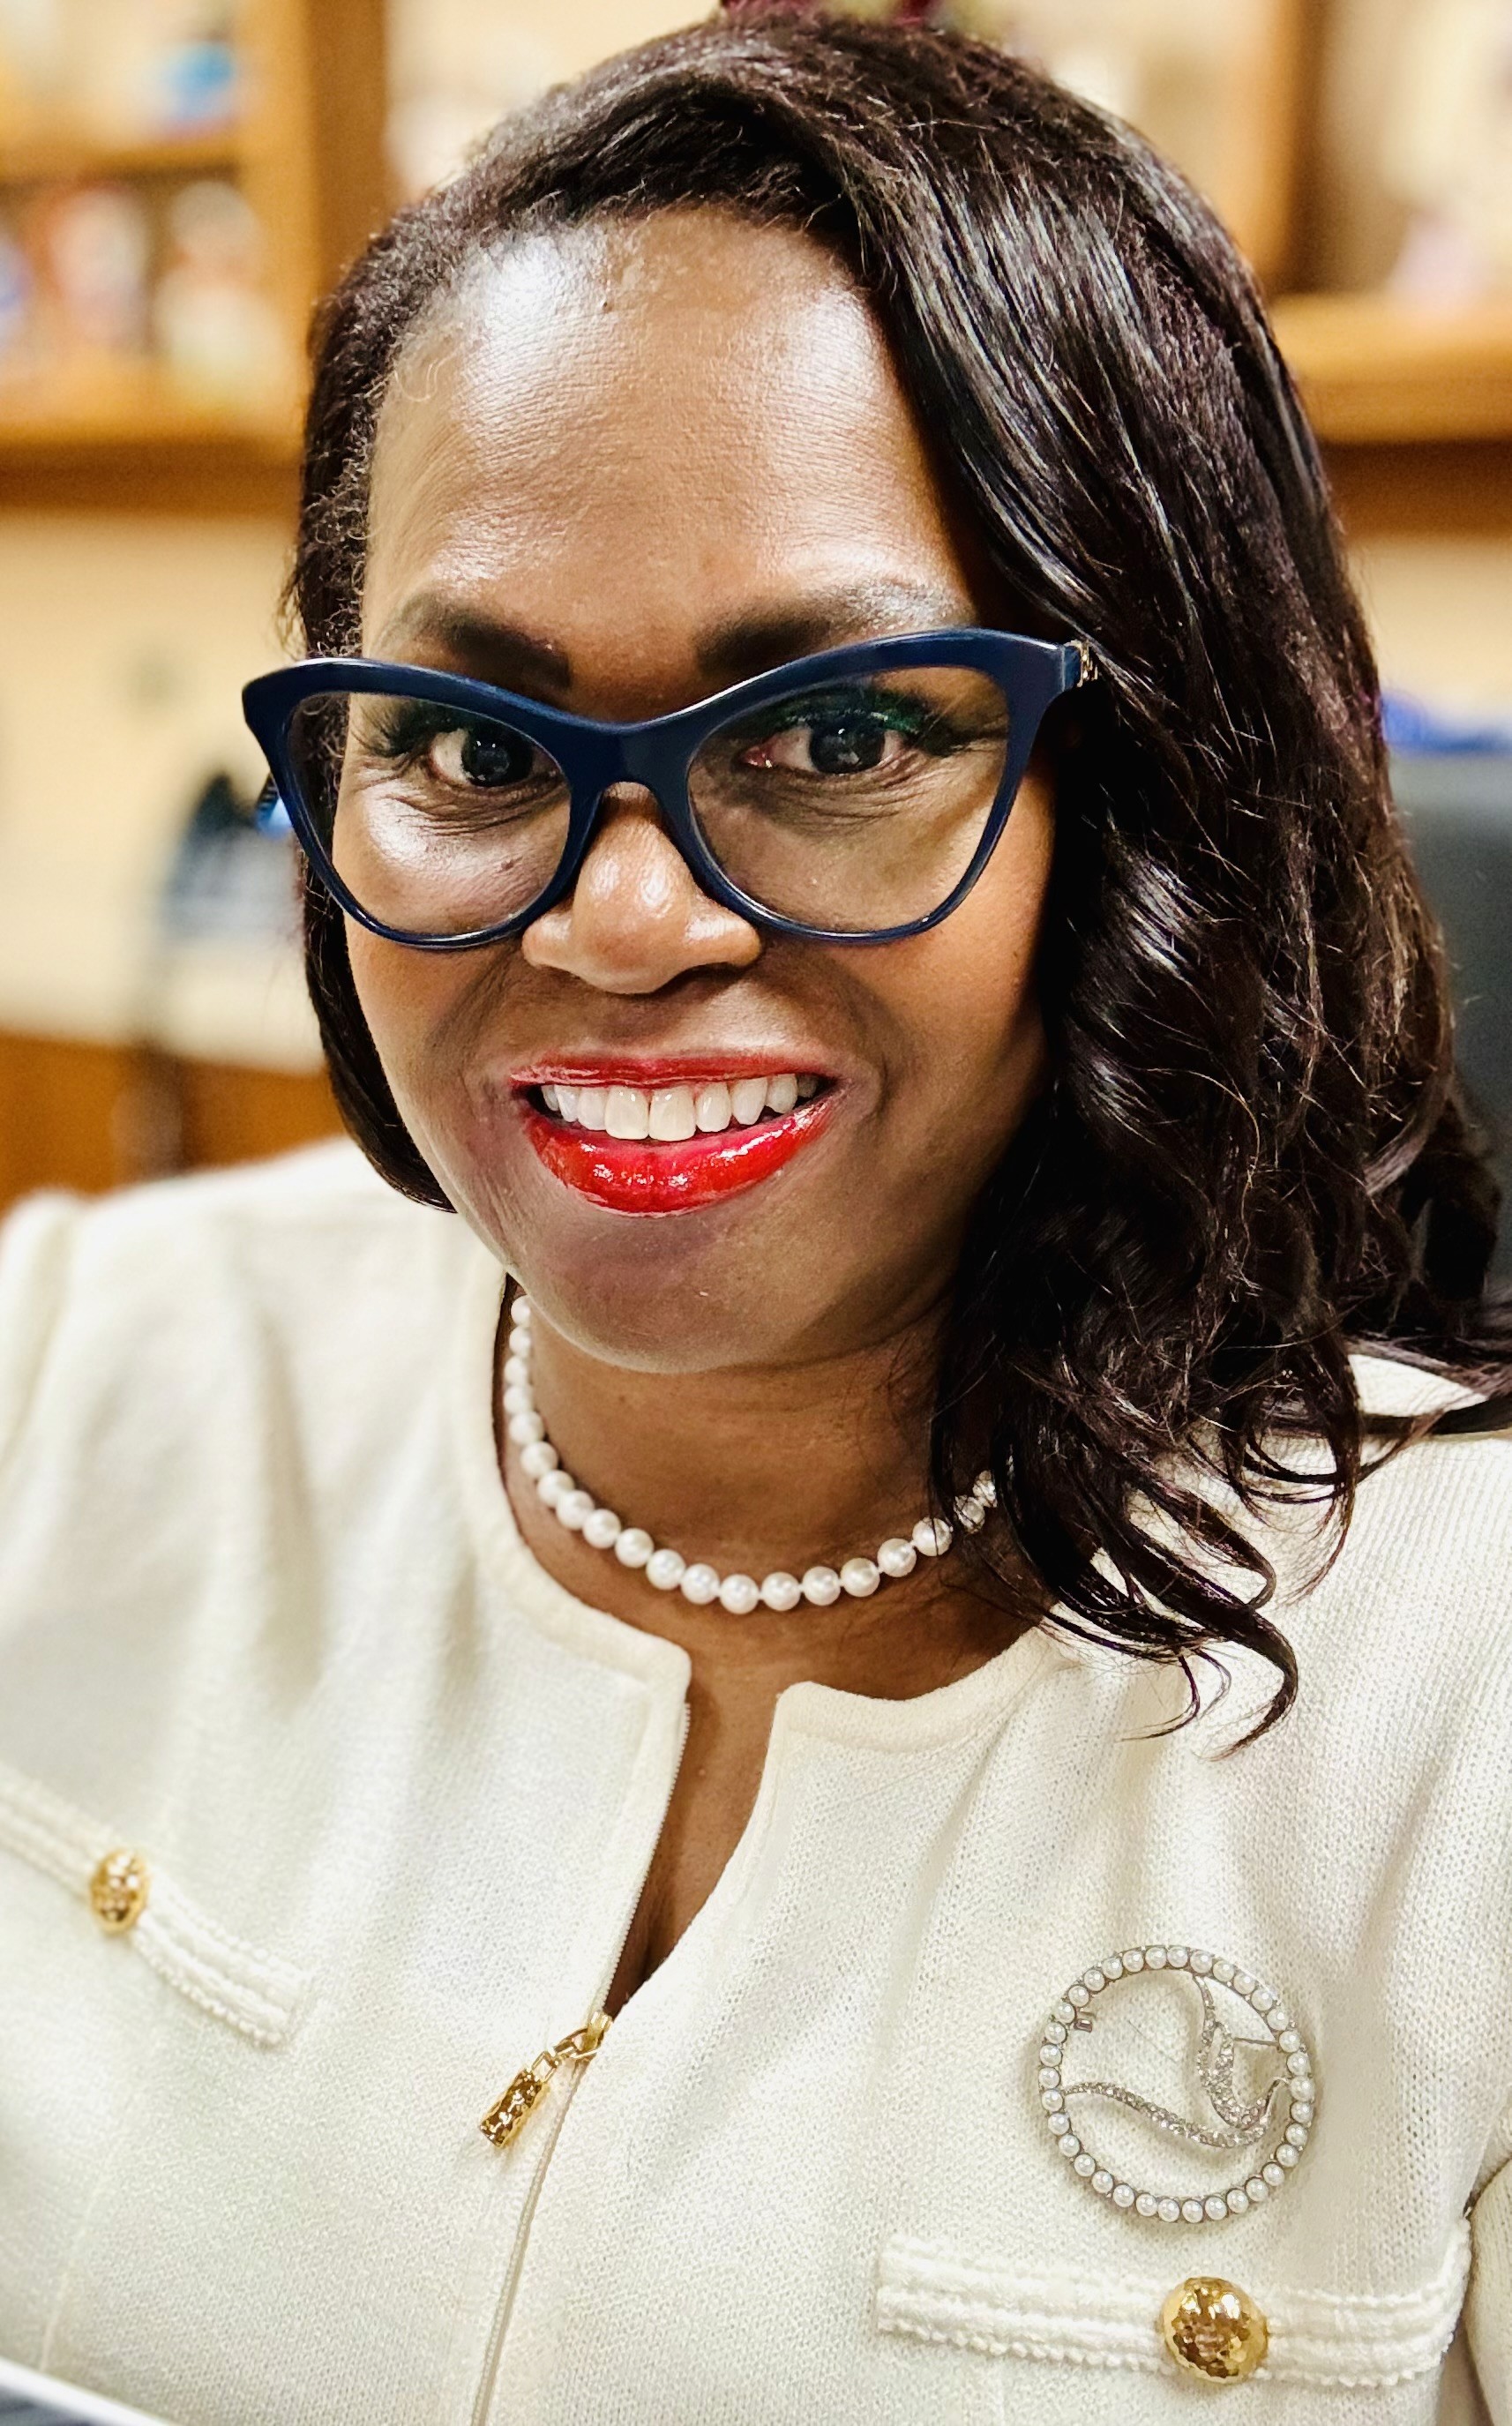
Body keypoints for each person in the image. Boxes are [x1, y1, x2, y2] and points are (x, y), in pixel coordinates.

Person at [1, 12, 1508, 2421]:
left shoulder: (1462, 1718)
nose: (619, 920)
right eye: (469, 745)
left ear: (1145, 801)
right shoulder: (78, 1380)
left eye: (837, 736)